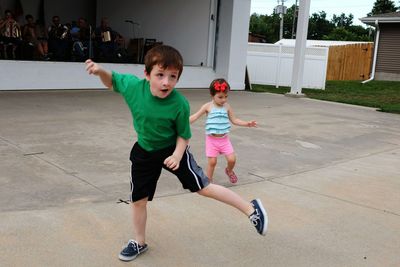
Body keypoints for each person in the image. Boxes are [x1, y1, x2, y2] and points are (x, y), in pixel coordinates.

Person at [85, 45, 268, 262]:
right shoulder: (134, 87)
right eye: (160, 75)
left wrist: (178, 156)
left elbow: (184, 134)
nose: (166, 82)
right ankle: (139, 242)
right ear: (147, 74)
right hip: (144, 151)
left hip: (173, 149)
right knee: (138, 200)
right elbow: (112, 80)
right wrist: (100, 71)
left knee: (203, 187)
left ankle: (251, 209)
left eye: (173, 77)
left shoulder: (179, 103)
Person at [190, 78, 257, 184]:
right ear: (212, 95)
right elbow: (195, 116)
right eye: (220, 97)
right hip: (212, 140)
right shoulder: (208, 106)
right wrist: (183, 122)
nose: (224, 100)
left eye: (226, 96)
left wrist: (247, 124)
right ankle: (209, 182)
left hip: (224, 140)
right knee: (212, 162)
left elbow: (234, 120)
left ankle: (229, 171)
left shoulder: (227, 107)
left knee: (232, 159)